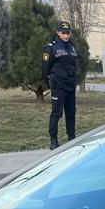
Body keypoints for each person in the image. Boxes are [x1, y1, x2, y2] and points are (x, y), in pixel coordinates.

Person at [41, 21, 79, 149]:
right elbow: (45, 68)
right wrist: (49, 83)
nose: (66, 35)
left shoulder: (72, 47)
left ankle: (71, 138)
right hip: (58, 85)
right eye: (63, 33)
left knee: (71, 113)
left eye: (68, 33)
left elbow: (74, 66)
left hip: (70, 85)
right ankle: (53, 139)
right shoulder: (51, 47)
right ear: (58, 33)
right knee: (56, 113)